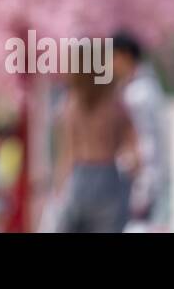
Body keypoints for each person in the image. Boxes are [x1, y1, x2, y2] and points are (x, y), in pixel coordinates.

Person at [53, 69, 138, 233]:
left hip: (79, 177)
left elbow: (67, 153)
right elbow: (133, 151)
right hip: (107, 176)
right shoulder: (115, 105)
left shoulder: (72, 105)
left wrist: (58, 190)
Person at [112, 31, 170, 228]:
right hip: (141, 179)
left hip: (139, 181)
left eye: (113, 57)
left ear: (125, 56)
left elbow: (147, 140)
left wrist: (135, 171)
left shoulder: (139, 94)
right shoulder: (143, 87)